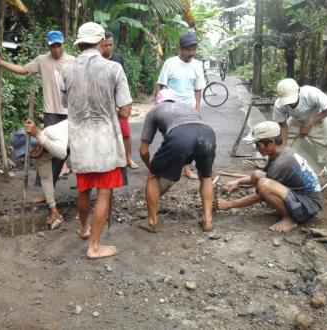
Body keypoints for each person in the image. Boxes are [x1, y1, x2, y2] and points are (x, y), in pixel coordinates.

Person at [60, 22, 132, 259]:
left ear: (79, 44)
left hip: (80, 141)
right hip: (104, 143)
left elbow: (64, 104)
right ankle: (94, 246)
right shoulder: (113, 69)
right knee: (103, 192)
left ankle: (83, 228)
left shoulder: (66, 70)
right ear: (101, 43)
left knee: (83, 188)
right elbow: (125, 110)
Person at [0, 30, 74, 203]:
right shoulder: (42, 61)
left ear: (63, 44)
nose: (56, 49)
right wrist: (2, 63)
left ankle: (82, 188)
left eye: (59, 45)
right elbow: (23, 70)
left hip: (70, 114)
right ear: (49, 46)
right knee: (46, 153)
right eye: (53, 46)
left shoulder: (73, 61)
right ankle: (46, 193)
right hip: (51, 113)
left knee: (68, 151)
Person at [215, 121, 323, 232]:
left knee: (264, 185)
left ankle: (289, 219)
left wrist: (229, 204)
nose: (257, 148)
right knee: (257, 175)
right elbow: (263, 175)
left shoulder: (282, 162)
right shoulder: (282, 152)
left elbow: (260, 195)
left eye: (258, 144)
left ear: (271, 142)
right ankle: (285, 208)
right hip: (301, 197)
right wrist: (237, 182)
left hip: (306, 209)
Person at [139, 89, 216, 232]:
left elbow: (143, 150)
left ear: (158, 101)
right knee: (206, 176)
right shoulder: (187, 107)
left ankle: (151, 221)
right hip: (207, 133)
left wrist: (150, 166)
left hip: (180, 135)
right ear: (174, 100)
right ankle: (207, 221)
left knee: (152, 175)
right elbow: (192, 142)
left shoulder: (155, 111)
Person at [155, 31, 205, 180]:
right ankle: (168, 166)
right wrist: (159, 106)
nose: (191, 53)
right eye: (188, 49)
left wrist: (197, 109)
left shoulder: (197, 65)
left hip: (189, 109)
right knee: (170, 138)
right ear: (180, 48)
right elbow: (160, 85)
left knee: (190, 139)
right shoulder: (170, 63)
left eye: (194, 49)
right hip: (171, 109)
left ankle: (187, 169)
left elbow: (197, 89)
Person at [11, 119, 68, 229]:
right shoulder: (38, 155)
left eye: (29, 151)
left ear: (36, 144)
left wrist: (38, 135)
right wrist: (53, 208)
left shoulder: (52, 133)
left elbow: (62, 154)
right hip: (67, 146)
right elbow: (46, 178)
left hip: (81, 134)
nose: (30, 155)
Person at [273, 78, 327, 166]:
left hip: (320, 117)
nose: (289, 103)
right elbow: (283, 125)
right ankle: (285, 163)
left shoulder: (311, 93)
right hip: (297, 120)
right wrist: (284, 144)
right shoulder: (279, 105)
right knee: (284, 144)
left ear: (298, 91)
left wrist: (310, 124)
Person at [103, 31, 138, 169]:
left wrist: (126, 102)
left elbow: (123, 81)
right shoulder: (98, 60)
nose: (109, 48)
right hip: (104, 102)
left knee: (125, 132)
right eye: (106, 45)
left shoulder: (118, 58)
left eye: (111, 45)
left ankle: (128, 158)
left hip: (119, 101)